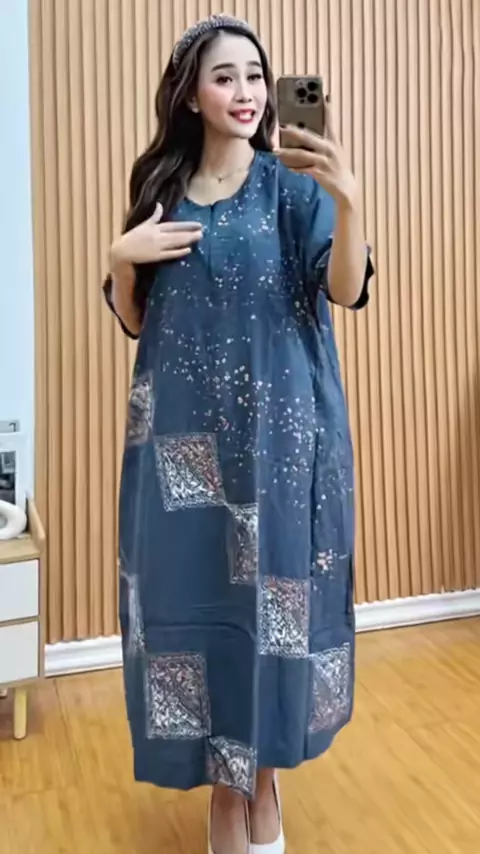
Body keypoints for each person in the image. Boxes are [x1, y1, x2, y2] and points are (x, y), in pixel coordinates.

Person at [103, 13, 373, 854]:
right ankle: (227, 786)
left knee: (274, 615)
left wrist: (348, 198)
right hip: (179, 457)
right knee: (196, 613)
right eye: (225, 76)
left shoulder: (292, 187)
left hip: (280, 452)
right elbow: (137, 321)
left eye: (255, 75)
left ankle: (260, 781)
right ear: (191, 94)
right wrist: (120, 259)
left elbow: (345, 288)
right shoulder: (163, 192)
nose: (247, 91)